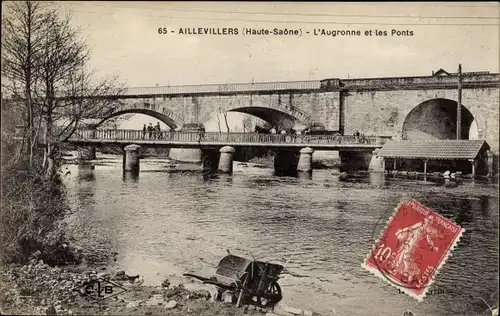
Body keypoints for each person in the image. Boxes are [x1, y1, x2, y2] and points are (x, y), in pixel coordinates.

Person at [388, 215, 441, 283]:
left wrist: (433, 247)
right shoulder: (420, 224)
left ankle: (407, 274)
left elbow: (428, 239)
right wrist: (401, 231)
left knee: (406, 257)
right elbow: (410, 228)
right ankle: (395, 270)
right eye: (428, 218)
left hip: (413, 244)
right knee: (401, 254)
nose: (428, 220)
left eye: (430, 220)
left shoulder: (428, 229)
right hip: (409, 240)